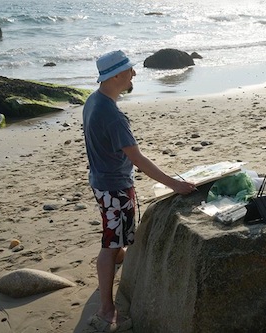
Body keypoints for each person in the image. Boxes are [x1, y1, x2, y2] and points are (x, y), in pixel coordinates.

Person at [83, 50, 196, 332]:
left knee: (116, 236)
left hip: (100, 181)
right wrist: (175, 184)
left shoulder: (93, 100)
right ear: (117, 75)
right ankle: (107, 309)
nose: (134, 74)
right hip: (114, 188)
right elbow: (138, 159)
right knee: (109, 245)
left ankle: (120, 255)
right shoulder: (113, 116)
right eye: (130, 70)